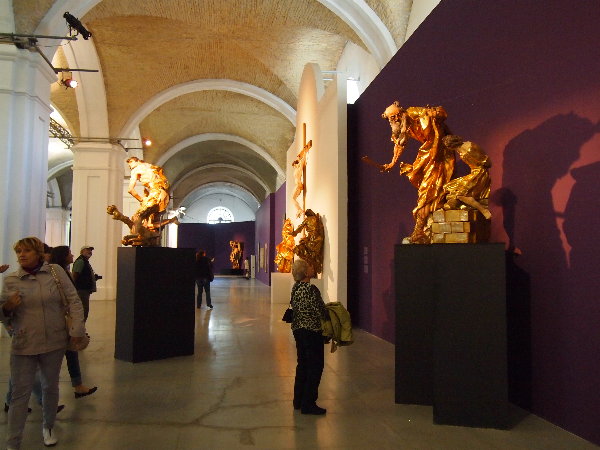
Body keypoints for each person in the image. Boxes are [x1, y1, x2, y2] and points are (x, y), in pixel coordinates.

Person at [0, 237, 86, 448]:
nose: (22, 255)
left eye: (27, 251)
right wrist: (7, 307)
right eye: (19, 251)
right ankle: (13, 441)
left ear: (38, 253)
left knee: (50, 387)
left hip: (54, 342)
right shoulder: (11, 280)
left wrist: (77, 329)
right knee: (19, 394)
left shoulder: (55, 272)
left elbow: (74, 300)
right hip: (24, 344)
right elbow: (3, 315)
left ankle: (48, 426)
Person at [379, 102, 455, 243]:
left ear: (397, 116)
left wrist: (433, 115)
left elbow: (440, 116)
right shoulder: (403, 126)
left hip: (439, 154)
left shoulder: (416, 114)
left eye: (392, 119)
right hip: (429, 154)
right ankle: (426, 228)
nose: (392, 122)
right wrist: (392, 163)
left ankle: (419, 230)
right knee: (426, 188)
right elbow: (399, 144)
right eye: (390, 120)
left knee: (428, 191)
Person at [50, 246, 98, 399]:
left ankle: (78, 386)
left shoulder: (67, 268)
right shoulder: (60, 270)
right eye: (69, 253)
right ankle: (43, 398)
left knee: (71, 354)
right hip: (60, 322)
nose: (72, 255)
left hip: (67, 321)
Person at [290, 259, 328, 415]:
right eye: (310, 266)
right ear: (306, 272)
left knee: (303, 364)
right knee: (315, 366)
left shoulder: (295, 288)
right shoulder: (311, 289)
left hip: (298, 330)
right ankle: (308, 403)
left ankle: (298, 400)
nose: (313, 267)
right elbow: (321, 311)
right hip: (312, 331)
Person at [72, 245, 100, 321]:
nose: (89, 251)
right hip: (81, 290)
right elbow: (74, 275)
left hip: (84, 290)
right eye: (87, 250)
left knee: (84, 310)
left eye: (90, 250)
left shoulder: (85, 261)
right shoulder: (80, 261)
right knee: (83, 310)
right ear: (82, 252)